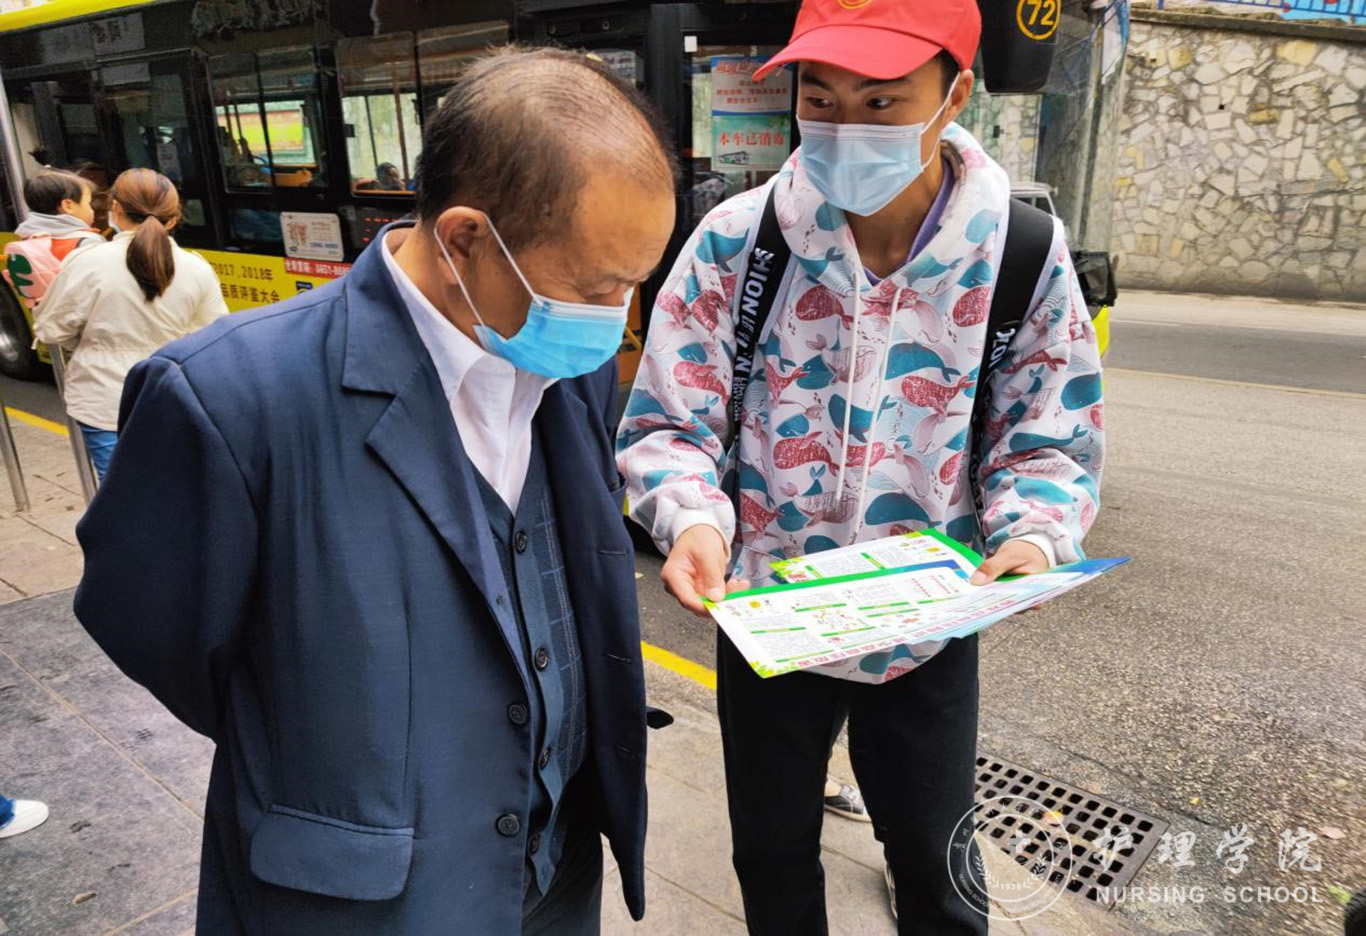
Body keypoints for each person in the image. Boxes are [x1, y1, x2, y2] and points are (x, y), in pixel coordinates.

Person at [73, 47, 677, 934]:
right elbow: (157, 635)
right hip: (365, 902)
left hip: (558, 873)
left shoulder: (569, 369)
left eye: (634, 283)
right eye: (599, 286)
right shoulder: (231, 396)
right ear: (465, 239)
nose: (619, 316)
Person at [616, 1, 1105, 932]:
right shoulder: (738, 240)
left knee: (937, 864)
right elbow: (672, 418)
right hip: (769, 610)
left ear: (954, 96)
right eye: (820, 97)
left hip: (925, 624)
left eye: (882, 101)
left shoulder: (1019, 255)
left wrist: (1036, 535)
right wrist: (692, 520)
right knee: (769, 853)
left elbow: (1047, 432)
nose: (845, 126)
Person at [32, 168, 226, 480]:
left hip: (104, 404)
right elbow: (214, 337)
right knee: (178, 490)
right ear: (173, 219)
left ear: (116, 209)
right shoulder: (197, 268)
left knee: (120, 497)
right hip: (175, 399)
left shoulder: (87, 263)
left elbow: (51, 330)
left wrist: (89, 341)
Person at [2, 170, 102, 311]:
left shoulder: (29, 242)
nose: (92, 210)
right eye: (88, 203)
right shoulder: (86, 243)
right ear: (68, 206)